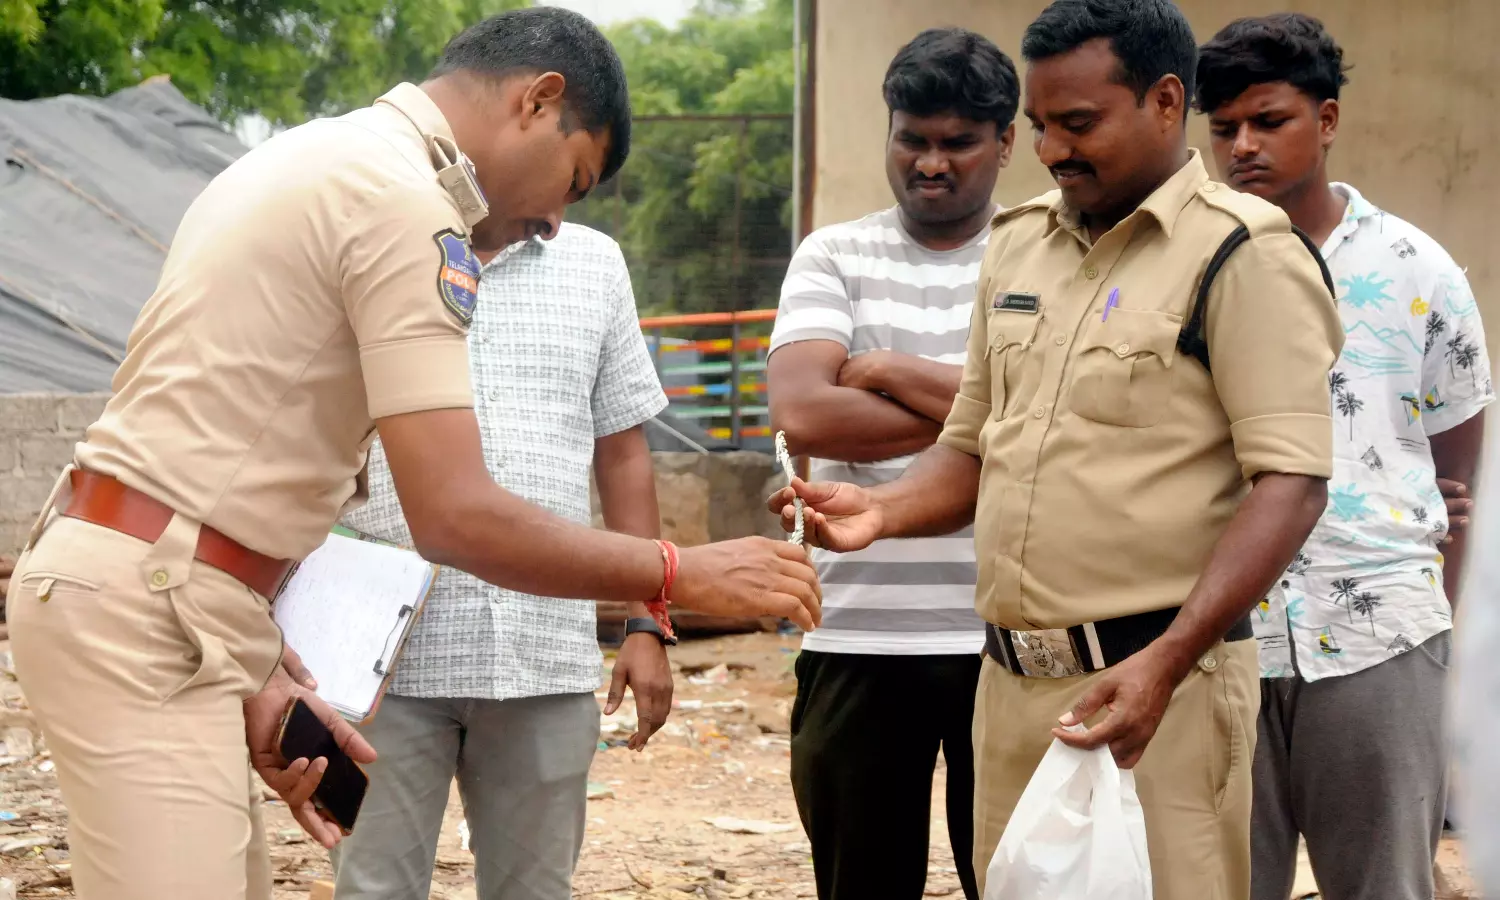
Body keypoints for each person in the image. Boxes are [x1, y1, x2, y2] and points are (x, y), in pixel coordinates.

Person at [4, 9, 820, 900]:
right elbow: (455, 514)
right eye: (573, 181)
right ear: (538, 102)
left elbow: (214, 447)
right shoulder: (402, 201)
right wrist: (678, 573)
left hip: (174, 597)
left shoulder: (304, 159)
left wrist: (252, 652)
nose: (553, 220)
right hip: (153, 608)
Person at [771, 1, 1347, 896]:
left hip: (1161, 691)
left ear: (1165, 102)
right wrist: (880, 511)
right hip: (1009, 690)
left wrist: (1166, 661)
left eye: (1079, 123)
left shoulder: (1243, 254)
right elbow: (973, 443)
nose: (1050, 150)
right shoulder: (1021, 247)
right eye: (1040, 125)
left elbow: (1292, 481)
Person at [1194, 15, 1493, 900]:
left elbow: (1455, 474)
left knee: (1383, 885)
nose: (1243, 147)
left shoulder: (1417, 269)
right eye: (1224, 128)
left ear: (1326, 120)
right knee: (1217, 883)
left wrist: (1428, 634)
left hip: (1380, 639)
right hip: (1217, 640)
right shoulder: (1189, 267)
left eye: (1269, 121)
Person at [328, 222, 672, 899]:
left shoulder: (594, 262)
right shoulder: (366, 245)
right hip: (376, 658)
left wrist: (647, 622)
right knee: (372, 889)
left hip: (544, 651)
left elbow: (623, 451)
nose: (558, 209)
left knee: (536, 890)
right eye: (570, 175)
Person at [767, 27, 1016, 900]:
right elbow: (803, 410)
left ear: (1006, 143)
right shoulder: (834, 254)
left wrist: (884, 370)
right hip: (858, 634)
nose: (931, 163)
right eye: (912, 139)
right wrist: (991, 409)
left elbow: (1065, 415)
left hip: (1012, 639)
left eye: (959, 142)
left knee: (1018, 880)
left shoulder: (1043, 255)